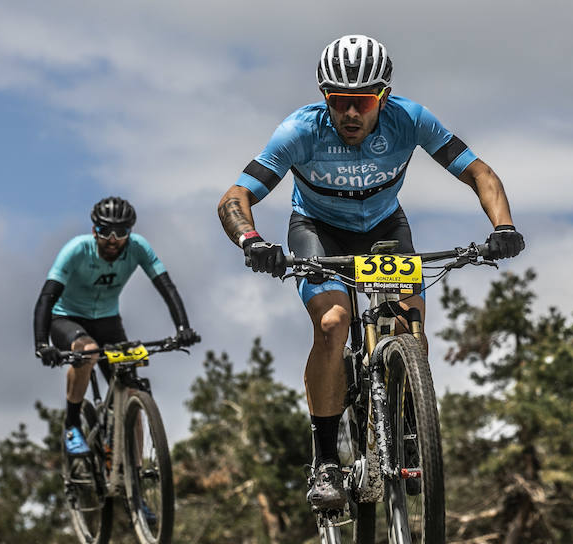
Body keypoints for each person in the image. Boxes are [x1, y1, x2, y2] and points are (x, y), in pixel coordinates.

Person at [217, 34, 525, 511]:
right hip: (318, 230)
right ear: (326, 99)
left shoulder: (411, 119)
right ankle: (325, 462)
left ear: (383, 96)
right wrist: (252, 241)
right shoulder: (299, 131)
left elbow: (479, 173)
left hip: (384, 228)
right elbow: (235, 198)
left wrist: (503, 227)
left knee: (410, 329)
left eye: (361, 101)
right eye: (339, 101)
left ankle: (405, 425)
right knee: (333, 323)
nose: (350, 113)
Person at [33, 197, 199, 458]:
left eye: (120, 232)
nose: (112, 239)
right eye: (105, 231)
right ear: (93, 231)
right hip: (66, 318)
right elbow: (46, 298)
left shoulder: (138, 248)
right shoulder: (76, 250)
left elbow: (167, 288)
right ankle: (72, 424)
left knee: (131, 390)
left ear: (129, 233)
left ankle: (136, 484)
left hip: (108, 321)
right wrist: (42, 344)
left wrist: (183, 328)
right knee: (88, 351)